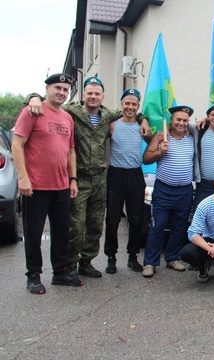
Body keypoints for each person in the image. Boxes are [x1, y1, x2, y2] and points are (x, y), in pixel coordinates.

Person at [27, 76, 150, 278]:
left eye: (97, 93)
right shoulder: (71, 112)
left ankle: (87, 261)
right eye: (89, 93)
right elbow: (49, 103)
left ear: (102, 96)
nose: (93, 96)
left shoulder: (107, 115)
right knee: (75, 225)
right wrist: (34, 97)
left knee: (95, 225)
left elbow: (131, 111)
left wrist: (143, 118)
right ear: (83, 94)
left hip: (100, 179)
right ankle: (70, 264)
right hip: (79, 177)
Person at [12, 73, 82, 294]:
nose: (61, 92)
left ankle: (59, 273)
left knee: (61, 232)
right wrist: (23, 177)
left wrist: (73, 179)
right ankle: (33, 275)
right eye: (57, 88)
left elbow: (70, 151)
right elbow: (17, 145)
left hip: (61, 186)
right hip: (36, 186)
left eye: (65, 89)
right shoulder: (32, 111)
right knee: (33, 233)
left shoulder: (67, 118)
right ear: (47, 88)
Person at [141, 105, 197, 277]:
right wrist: (160, 151)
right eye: (178, 120)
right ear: (171, 121)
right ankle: (150, 262)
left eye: (184, 120)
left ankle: (172, 258)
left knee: (179, 227)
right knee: (157, 227)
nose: (181, 123)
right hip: (164, 190)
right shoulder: (160, 137)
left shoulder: (192, 138)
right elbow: (146, 158)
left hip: (185, 191)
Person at [103, 88, 151, 274]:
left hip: (135, 175)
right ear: (122, 104)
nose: (130, 107)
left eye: (134, 104)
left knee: (136, 219)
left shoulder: (142, 127)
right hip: (115, 175)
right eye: (127, 103)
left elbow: (154, 136)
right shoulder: (112, 125)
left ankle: (133, 256)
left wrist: (144, 119)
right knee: (113, 219)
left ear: (138, 107)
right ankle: (111, 257)